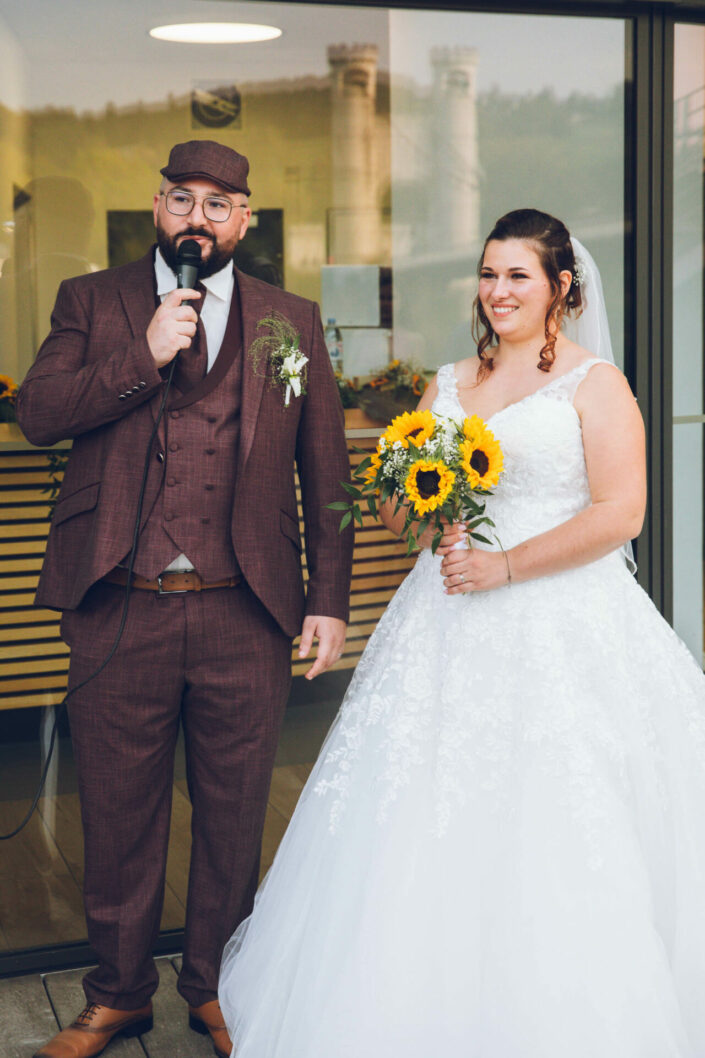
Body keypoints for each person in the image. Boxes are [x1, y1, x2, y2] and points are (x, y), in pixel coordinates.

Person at [218, 209, 705, 1057]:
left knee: (557, 814)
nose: (496, 291)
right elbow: (402, 510)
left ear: (562, 287)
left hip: (563, 626)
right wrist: (402, 495)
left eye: (517, 275)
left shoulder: (595, 384)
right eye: (487, 273)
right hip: (444, 621)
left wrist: (506, 565)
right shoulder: (445, 382)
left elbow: (620, 514)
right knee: (423, 813)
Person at [16, 139, 353, 1058]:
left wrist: (328, 596)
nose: (197, 218)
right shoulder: (94, 302)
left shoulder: (294, 320)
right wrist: (143, 351)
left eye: (218, 204)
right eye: (182, 199)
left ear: (243, 220)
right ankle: (116, 995)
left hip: (245, 604)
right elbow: (39, 415)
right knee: (118, 814)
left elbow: (325, 475)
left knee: (235, 812)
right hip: (117, 600)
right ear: (157, 208)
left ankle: (216, 987)